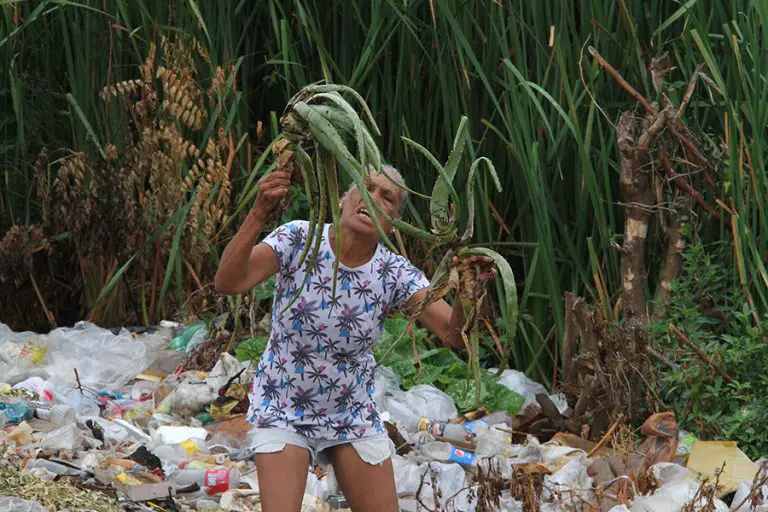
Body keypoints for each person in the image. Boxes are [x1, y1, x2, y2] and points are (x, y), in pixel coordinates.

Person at [214, 164, 496, 511]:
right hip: (283, 405)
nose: (372, 199)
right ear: (344, 199)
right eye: (365, 188)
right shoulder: (299, 240)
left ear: (393, 222)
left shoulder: (393, 271)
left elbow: (452, 334)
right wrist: (258, 213)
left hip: (350, 412)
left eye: (387, 197)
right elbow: (227, 282)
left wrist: (468, 289)